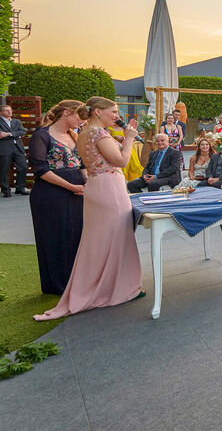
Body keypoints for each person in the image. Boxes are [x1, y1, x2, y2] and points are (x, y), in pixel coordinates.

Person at [35, 97, 143, 321]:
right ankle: (116, 288)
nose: (117, 115)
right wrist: (130, 139)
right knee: (117, 237)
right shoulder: (98, 134)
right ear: (97, 112)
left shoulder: (82, 134)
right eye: (113, 111)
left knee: (97, 241)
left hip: (95, 186)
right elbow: (122, 161)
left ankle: (101, 285)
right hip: (109, 188)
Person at [29, 100, 87, 294]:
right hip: (50, 195)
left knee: (76, 235)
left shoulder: (75, 136)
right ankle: (57, 285)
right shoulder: (41, 136)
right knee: (54, 237)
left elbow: (82, 165)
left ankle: (75, 281)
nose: (83, 119)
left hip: (77, 193)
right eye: (80, 115)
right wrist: (71, 186)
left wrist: (87, 185)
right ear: (66, 113)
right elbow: (41, 170)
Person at [0, 103, 28, 196]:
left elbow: (23, 131)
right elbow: (0, 135)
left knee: (23, 167)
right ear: (1, 113)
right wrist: (16, 133)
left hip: (18, 148)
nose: (9, 112)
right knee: (4, 170)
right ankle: (5, 190)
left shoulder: (17, 121)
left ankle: (20, 188)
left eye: (10, 110)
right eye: (6, 110)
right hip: (4, 148)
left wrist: (8, 134)